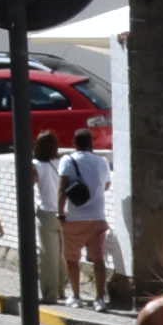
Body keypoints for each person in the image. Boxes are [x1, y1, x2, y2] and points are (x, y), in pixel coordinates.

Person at [59, 127, 112, 307]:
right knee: (98, 260)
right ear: (92, 144)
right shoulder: (102, 161)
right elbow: (106, 185)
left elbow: (62, 188)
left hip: (74, 218)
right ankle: (100, 298)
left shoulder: (67, 160)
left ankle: (76, 296)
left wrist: (60, 212)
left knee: (72, 259)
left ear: (74, 143)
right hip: (97, 217)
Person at [29, 134, 67, 301]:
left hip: (46, 213)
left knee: (48, 256)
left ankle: (49, 293)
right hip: (65, 212)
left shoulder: (36, 165)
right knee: (62, 254)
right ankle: (62, 289)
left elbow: (29, 184)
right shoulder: (62, 163)